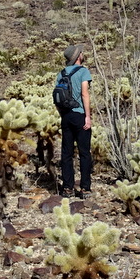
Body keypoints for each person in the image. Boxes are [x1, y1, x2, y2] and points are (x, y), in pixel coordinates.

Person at [58, 43, 93, 198]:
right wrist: (87, 116)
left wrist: (62, 115)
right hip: (79, 116)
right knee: (84, 153)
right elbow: (85, 94)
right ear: (78, 56)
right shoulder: (83, 72)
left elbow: (57, 97)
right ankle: (85, 188)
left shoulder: (61, 73)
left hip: (66, 116)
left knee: (66, 153)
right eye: (81, 52)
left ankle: (67, 188)